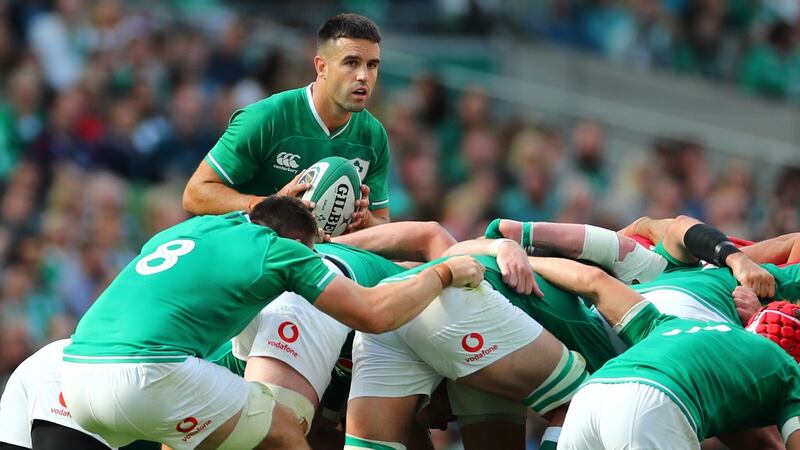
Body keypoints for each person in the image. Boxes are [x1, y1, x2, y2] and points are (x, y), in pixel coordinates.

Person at [59, 196, 483, 450]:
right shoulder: (281, 249)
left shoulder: (193, 229)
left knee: (193, 433)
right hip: (146, 372)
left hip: (75, 379)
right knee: (283, 431)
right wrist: (441, 273)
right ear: (300, 241)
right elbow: (372, 313)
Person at [527, 255, 800, 450]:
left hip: (590, 398)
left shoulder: (681, 324)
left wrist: (509, 253)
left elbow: (594, 280)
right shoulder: (789, 370)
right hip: (652, 407)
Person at [183, 13, 390, 231]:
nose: (363, 76)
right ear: (322, 67)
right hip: (245, 244)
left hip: (319, 256)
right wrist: (271, 206)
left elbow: (383, 224)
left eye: (372, 65)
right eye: (351, 62)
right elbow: (194, 194)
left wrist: (365, 220)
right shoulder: (265, 118)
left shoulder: (374, 136)